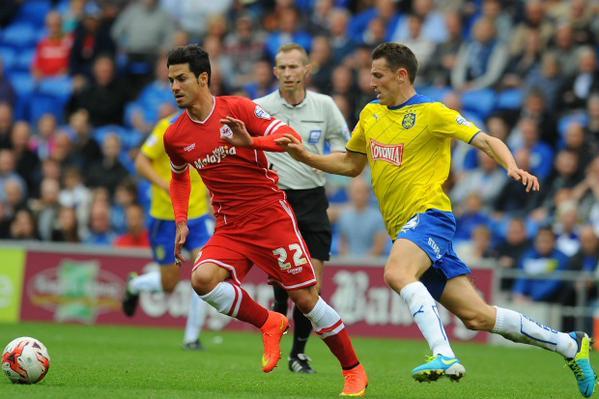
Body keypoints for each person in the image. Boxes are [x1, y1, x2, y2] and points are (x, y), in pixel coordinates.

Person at [273, 42, 596, 398]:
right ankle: (569, 345)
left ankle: (443, 354)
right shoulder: (371, 114)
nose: (371, 81)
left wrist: (511, 165)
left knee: (396, 273)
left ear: (401, 75)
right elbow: (351, 164)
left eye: (377, 74)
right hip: (405, 230)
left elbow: (485, 139)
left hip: (430, 217)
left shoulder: (432, 113)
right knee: (477, 317)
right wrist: (306, 156)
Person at [163, 44, 367, 396]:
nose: (175, 87)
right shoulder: (175, 135)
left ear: (203, 78)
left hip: (271, 217)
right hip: (230, 226)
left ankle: (353, 369)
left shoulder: (238, 109)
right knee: (201, 279)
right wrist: (181, 219)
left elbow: (292, 138)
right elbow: (179, 176)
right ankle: (269, 321)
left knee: (306, 299)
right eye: (170, 80)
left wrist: (250, 140)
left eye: (181, 78)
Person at [253, 43, 350, 374]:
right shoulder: (260, 107)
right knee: (284, 283)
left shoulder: (324, 106)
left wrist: (319, 160)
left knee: (313, 285)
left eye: (295, 67)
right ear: (275, 71)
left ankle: (299, 353)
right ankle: (279, 320)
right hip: (276, 199)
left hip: (312, 198)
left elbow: (343, 144)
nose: (289, 73)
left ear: (307, 70)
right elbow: (242, 148)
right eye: (283, 67)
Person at [122, 113, 212, 350]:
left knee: (205, 274)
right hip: (166, 216)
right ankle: (136, 285)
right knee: (169, 283)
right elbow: (141, 162)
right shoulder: (167, 127)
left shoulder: (211, 124)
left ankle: (191, 338)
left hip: (198, 215)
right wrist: (165, 184)